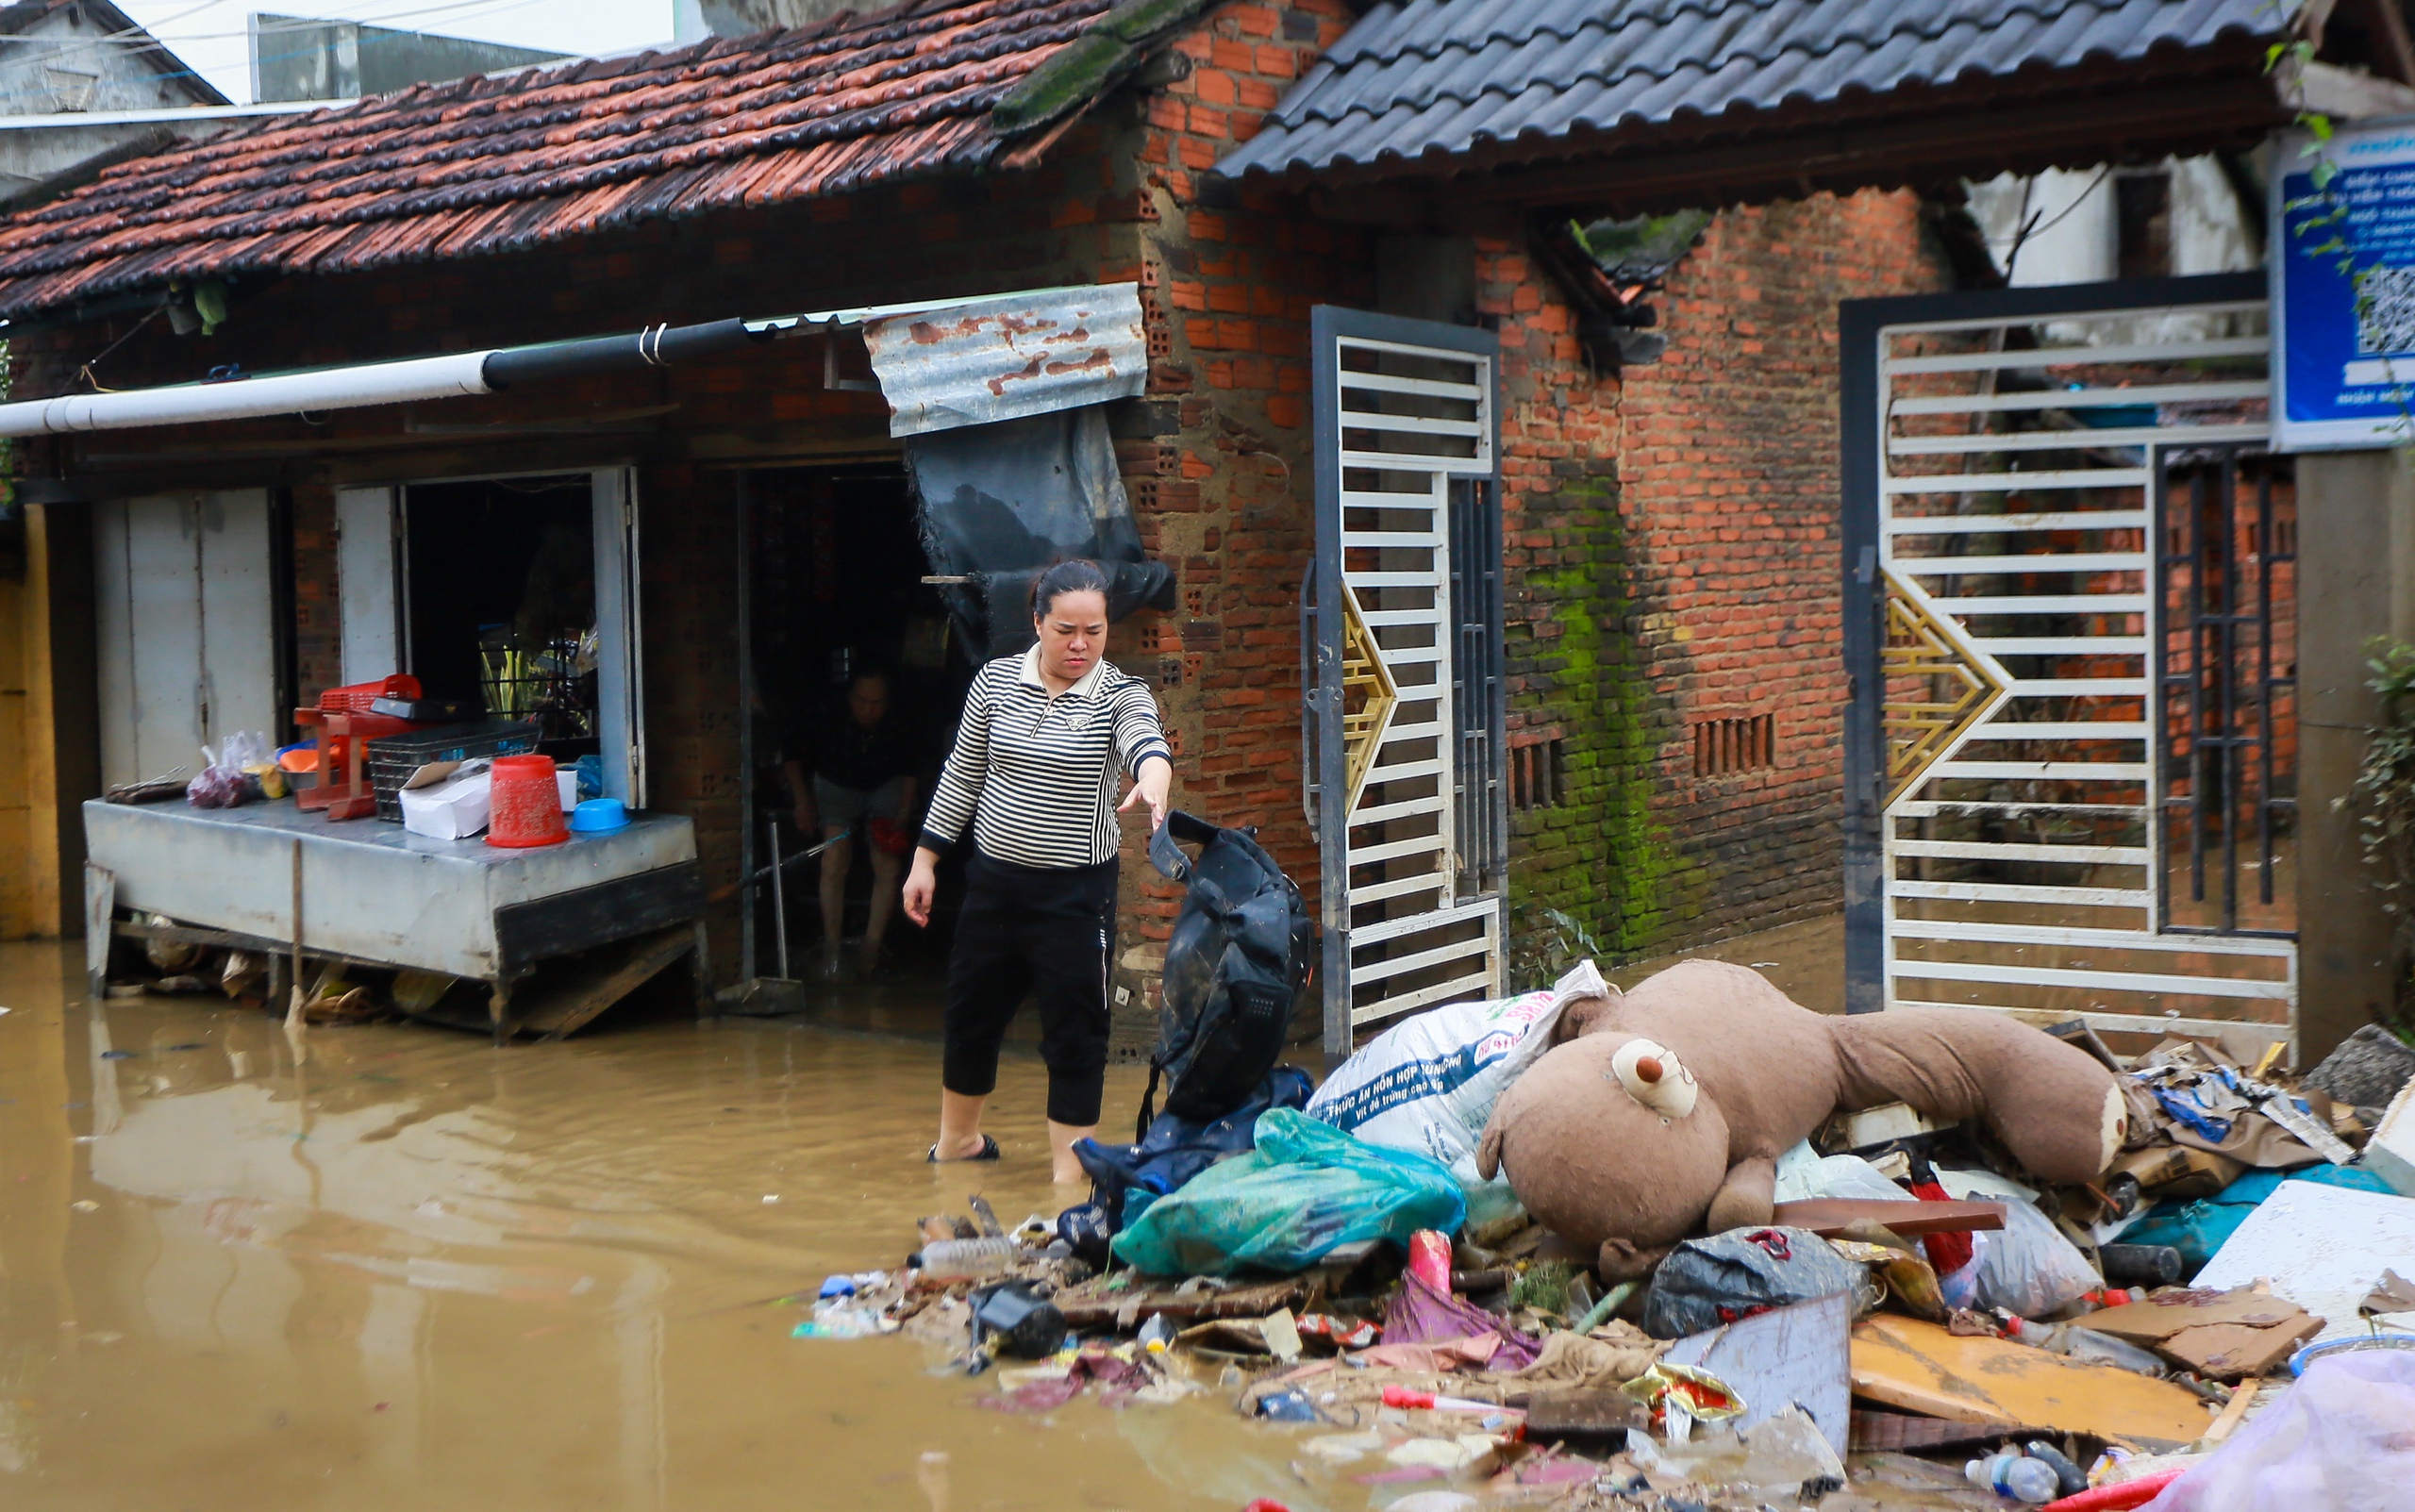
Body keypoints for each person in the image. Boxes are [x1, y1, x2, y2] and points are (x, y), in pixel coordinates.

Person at [903, 559, 1172, 1183]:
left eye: (1094, 631)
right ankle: (958, 1146)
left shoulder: (1120, 695)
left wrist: (1154, 779)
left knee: (1076, 1032)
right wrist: (925, 860)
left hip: (1074, 897)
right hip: (993, 885)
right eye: (1065, 630)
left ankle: (1067, 1181)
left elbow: (1147, 743)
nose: (1080, 645)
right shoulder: (995, 682)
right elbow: (963, 775)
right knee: (970, 1015)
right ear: (1037, 622)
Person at [786, 668, 917, 978]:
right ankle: (832, 947)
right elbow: (792, 755)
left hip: (884, 784)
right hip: (836, 783)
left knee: (887, 864)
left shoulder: (900, 719)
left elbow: (912, 766)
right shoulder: (826, 714)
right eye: (862, 701)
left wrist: (903, 811)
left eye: (877, 703)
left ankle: (870, 950)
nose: (869, 710)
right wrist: (802, 801)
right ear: (849, 697)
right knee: (834, 857)